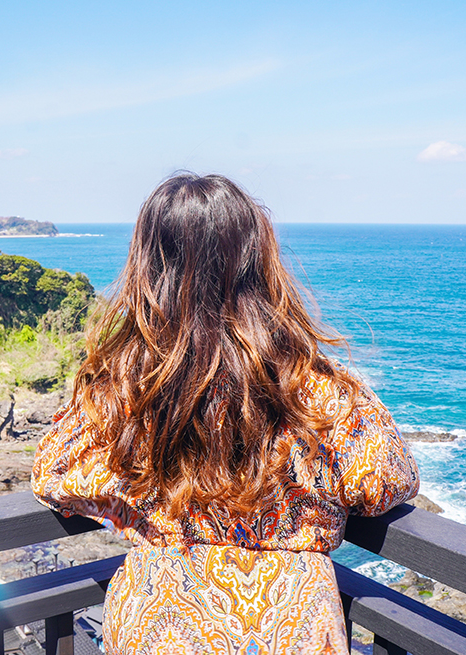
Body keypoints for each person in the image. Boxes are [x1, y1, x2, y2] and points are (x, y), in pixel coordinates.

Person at [32, 173, 419, 654]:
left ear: (148, 267)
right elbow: (387, 480)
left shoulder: (123, 387)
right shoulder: (316, 387)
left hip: (161, 619)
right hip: (288, 624)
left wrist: (136, 503)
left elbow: (55, 475)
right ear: (257, 261)